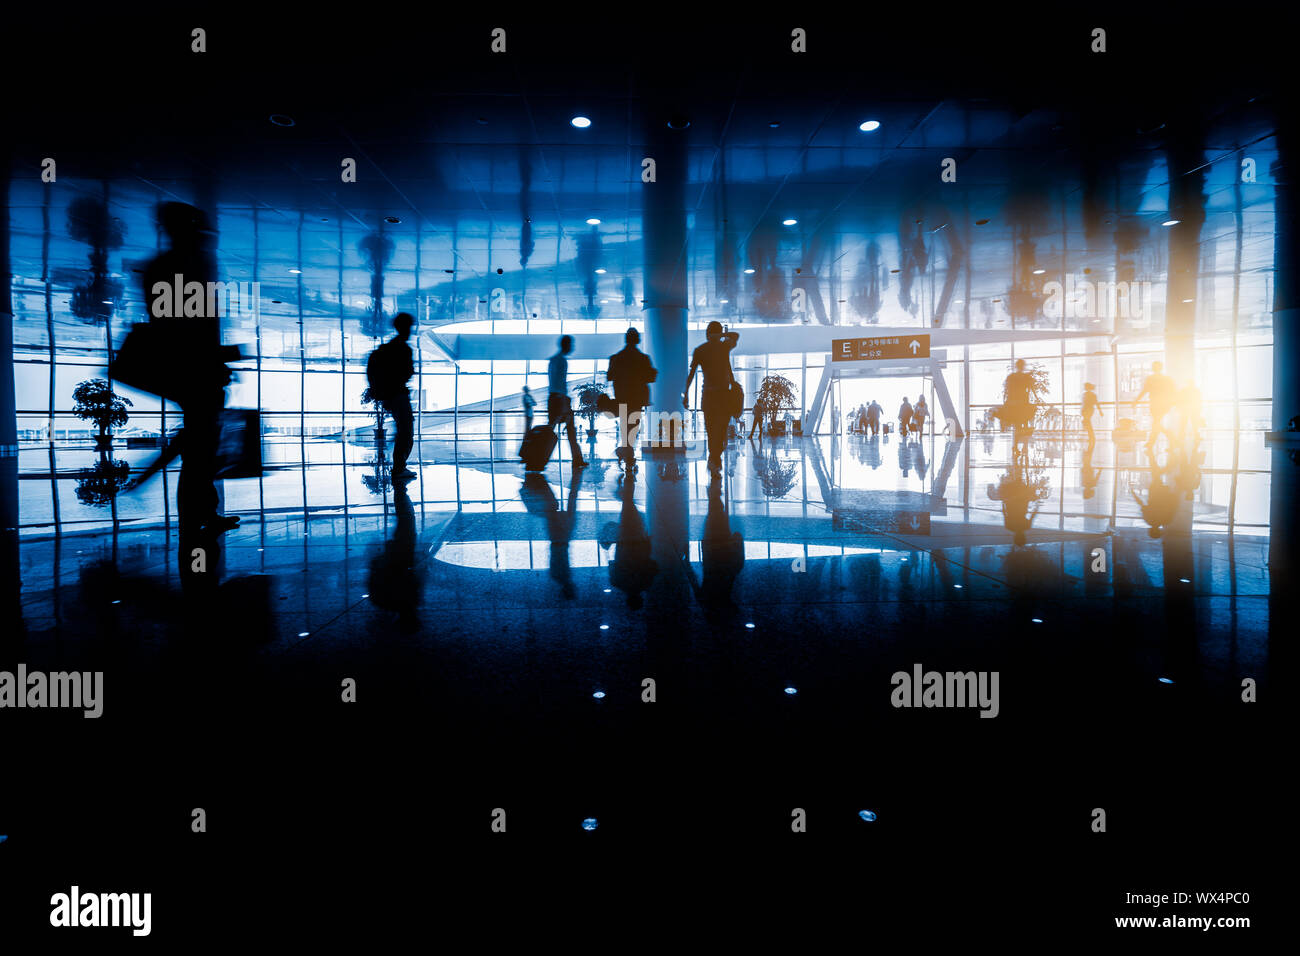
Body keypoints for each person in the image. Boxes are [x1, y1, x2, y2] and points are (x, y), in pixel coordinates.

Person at [137, 202, 237, 537]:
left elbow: (175, 329)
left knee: (200, 449)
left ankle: (201, 516)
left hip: (193, 372)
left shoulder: (167, 268)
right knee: (199, 451)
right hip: (197, 373)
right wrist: (219, 357)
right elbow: (189, 332)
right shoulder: (185, 267)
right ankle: (194, 523)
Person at [684, 321, 739, 474]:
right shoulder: (723, 347)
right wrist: (720, 335)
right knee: (720, 431)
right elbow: (735, 336)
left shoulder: (701, 350)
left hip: (708, 396)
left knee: (713, 431)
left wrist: (686, 394)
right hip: (722, 396)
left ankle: (714, 458)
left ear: (707, 333)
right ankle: (715, 458)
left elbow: (691, 375)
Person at [368, 312, 417, 481]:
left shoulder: (388, 348)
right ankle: (399, 467)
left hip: (390, 395)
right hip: (399, 395)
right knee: (406, 430)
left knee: (403, 429)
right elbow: (407, 372)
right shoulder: (402, 348)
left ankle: (399, 465)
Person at [605, 327, 657, 467]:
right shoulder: (643, 359)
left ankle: (626, 454)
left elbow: (610, 376)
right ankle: (627, 454)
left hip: (622, 397)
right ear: (638, 340)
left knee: (625, 427)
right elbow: (651, 378)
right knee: (633, 427)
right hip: (637, 399)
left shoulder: (616, 358)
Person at [548, 335, 587, 468]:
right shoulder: (562, 361)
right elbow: (561, 383)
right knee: (571, 431)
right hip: (560, 399)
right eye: (571, 345)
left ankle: (538, 457)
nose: (572, 348)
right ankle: (577, 460)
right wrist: (564, 404)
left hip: (553, 398)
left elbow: (553, 382)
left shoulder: (553, 360)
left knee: (550, 430)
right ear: (566, 345)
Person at [1135, 360, 1177, 450]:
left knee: (1156, 423)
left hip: (1155, 403)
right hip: (1164, 404)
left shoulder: (1151, 379)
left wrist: (1136, 401)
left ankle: (1167, 439)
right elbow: (1173, 391)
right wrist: (1172, 403)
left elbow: (1145, 390)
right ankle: (1155, 442)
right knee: (1156, 423)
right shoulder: (1167, 379)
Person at [1081, 382, 1099, 447]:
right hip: (1086, 410)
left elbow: (1096, 403)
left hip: (1089, 410)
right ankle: (1091, 437)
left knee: (1087, 422)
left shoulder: (1091, 395)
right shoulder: (1086, 394)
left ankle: (1092, 437)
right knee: (1087, 423)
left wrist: (1100, 411)